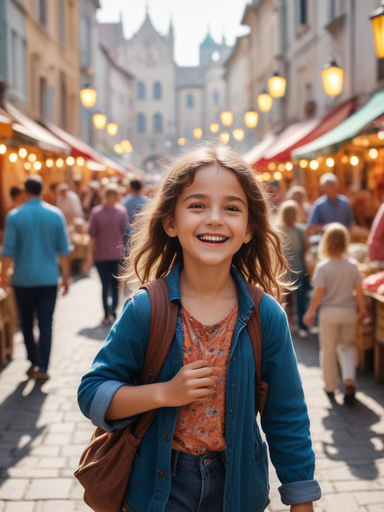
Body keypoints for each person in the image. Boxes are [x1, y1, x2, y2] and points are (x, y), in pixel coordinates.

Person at [78, 144, 321, 511]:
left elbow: (286, 414)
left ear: (250, 228)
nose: (214, 219)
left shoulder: (264, 315)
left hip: (238, 489)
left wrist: (301, 500)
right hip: (158, 490)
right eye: (197, 205)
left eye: (232, 208)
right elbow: (92, 392)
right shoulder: (146, 309)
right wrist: (164, 393)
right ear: (170, 222)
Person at [1, 176, 72, 381]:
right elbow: (63, 250)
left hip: (23, 279)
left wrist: (2, 276)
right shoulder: (55, 214)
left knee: (26, 322)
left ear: (24, 191)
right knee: (45, 322)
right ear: (42, 191)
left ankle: (33, 360)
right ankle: (43, 365)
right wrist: (66, 276)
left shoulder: (15, 216)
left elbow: (8, 251)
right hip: (49, 278)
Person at [303, 223, 366, 405]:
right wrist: (362, 310)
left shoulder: (323, 266)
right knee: (348, 346)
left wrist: (310, 312)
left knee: (328, 351)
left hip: (329, 313)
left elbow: (319, 293)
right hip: (348, 312)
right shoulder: (353, 265)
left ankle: (330, 386)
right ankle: (348, 378)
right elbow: (359, 292)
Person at [86, 185, 128, 324]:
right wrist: (89, 255)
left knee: (110, 284)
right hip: (106, 254)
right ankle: (110, 310)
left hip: (109, 254)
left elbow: (124, 234)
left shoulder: (100, 212)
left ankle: (110, 310)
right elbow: (125, 234)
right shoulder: (116, 212)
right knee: (109, 284)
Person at [276, 200, 309, 337]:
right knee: (298, 300)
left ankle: (289, 326)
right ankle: (299, 325)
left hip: (286, 270)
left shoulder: (279, 230)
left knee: (286, 301)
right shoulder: (299, 230)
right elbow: (306, 248)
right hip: (296, 269)